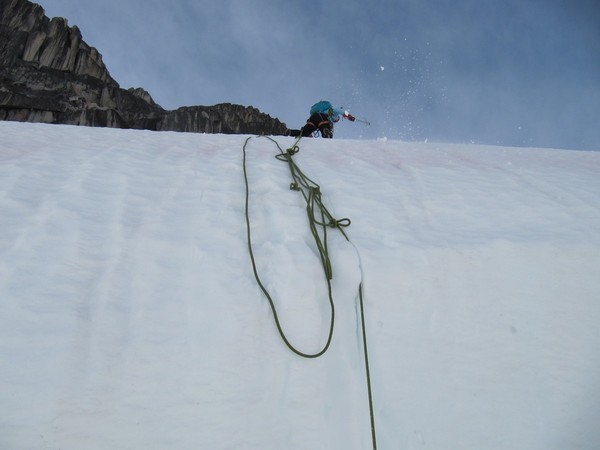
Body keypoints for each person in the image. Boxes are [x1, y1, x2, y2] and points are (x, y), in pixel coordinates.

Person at [287, 100, 356, 138]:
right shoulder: (332, 112)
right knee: (327, 134)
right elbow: (341, 111)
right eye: (337, 120)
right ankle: (326, 131)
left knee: (304, 133)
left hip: (313, 118)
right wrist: (349, 115)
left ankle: (287, 131)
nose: (336, 121)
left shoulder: (326, 112)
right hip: (322, 117)